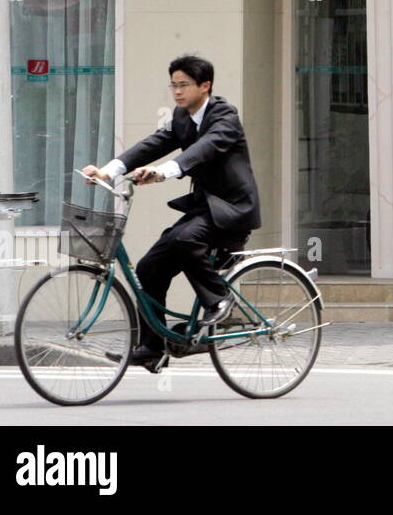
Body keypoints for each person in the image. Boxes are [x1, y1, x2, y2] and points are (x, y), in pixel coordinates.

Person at [81, 55, 260, 372]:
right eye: (174, 85)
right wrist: (109, 171)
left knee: (182, 240)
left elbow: (203, 149)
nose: (177, 92)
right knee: (150, 266)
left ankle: (220, 301)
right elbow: (154, 143)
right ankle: (153, 346)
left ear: (205, 86)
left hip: (232, 210)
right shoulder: (181, 117)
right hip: (206, 209)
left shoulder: (224, 116)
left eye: (184, 85)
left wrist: (163, 172)